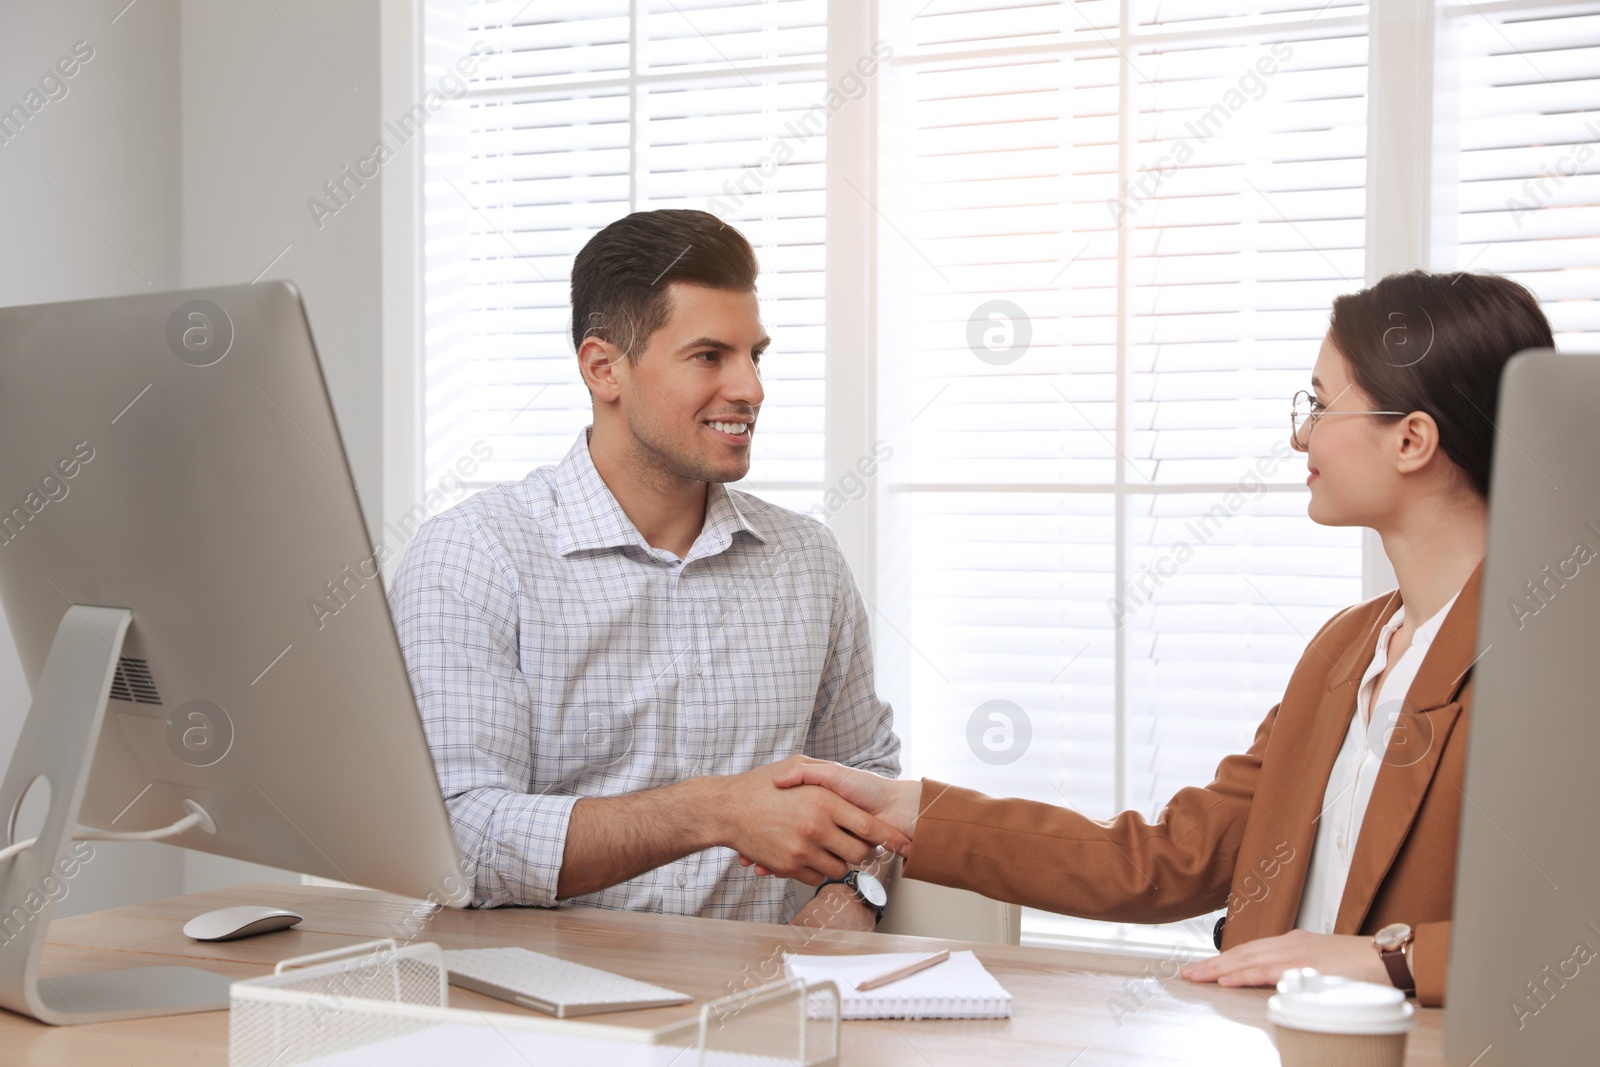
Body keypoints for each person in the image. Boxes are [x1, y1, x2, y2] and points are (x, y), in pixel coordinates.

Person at [756, 270, 1555, 1003]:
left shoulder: (1554, 659)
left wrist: (1390, 958)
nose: (1299, 438)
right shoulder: (1347, 649)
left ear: (1412, 440)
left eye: (1319, 404)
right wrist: (907, 809)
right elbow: (1166, 860)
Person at [390, 209, 904, 931]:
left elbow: (871, 773)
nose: (750, 387)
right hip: (542, 1017)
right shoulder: (477, 557)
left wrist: (851, 894)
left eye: (756, 354)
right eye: (709, 356)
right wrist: (712, 811)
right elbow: (456, 840)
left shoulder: (807, 561)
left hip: (759, 1006)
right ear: (604, 369)